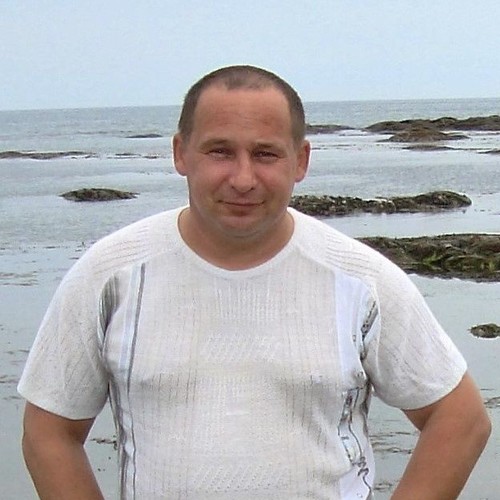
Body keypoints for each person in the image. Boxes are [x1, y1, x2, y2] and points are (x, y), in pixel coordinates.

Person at [19, 65, 490, 500]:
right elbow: (49, 431)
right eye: (220, 151)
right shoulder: (110, 274)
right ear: (181, 153)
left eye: (265, 154)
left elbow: (461, 419)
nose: (243, 179)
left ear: (300, 161)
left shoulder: (360, 279)